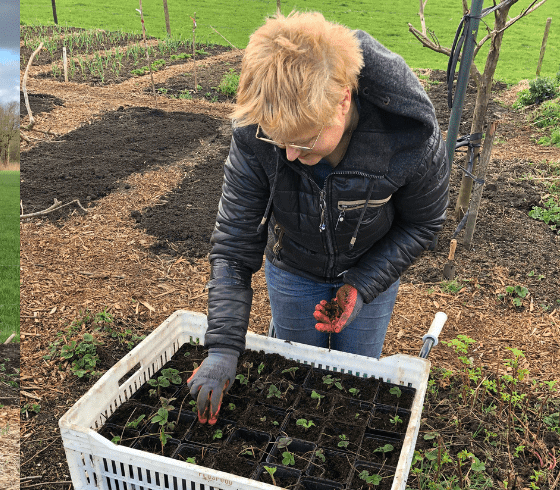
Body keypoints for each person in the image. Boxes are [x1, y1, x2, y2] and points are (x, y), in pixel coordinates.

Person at [186, 11, 449, 424]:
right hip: (293, 268)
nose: (289, 155)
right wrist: (222, 347)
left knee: (355, 377)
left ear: (343, 99)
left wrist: (362, 286)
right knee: (293, 375)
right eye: (280, 141)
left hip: (371, 271)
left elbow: (423, 224)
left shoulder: (409, 137)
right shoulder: (257, 132)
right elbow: (235, 242)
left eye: (304, 140)